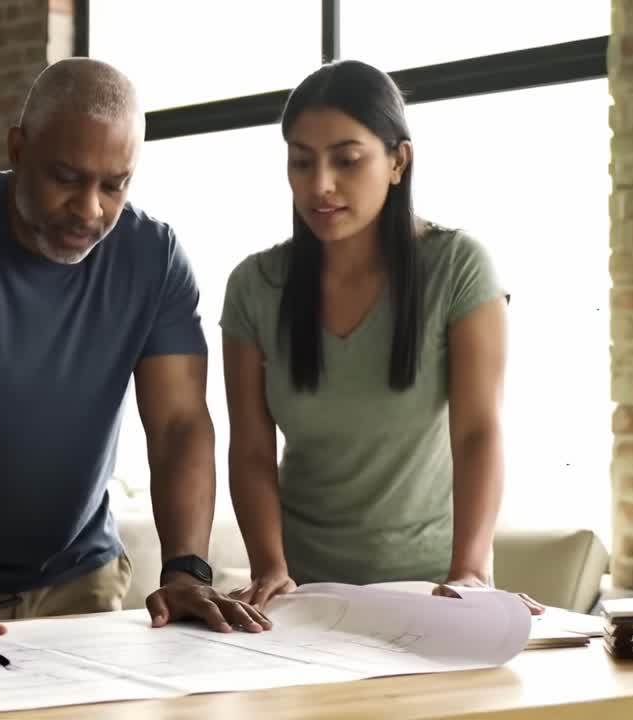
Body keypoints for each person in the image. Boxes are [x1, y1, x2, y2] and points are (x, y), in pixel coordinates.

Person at [0, 57, 271, 643]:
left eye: (114, 185)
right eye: (68, 178)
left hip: (83, 580)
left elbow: (178, 425)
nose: (91, 208)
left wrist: (186, 570)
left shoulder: (154, 258)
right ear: (18, 150)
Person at [220, 59, 543, 613]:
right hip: (303, 595)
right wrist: (270, 566)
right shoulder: (255, 285)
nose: (320, 184)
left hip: (430, 592)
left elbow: (477, 432)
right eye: (301, 161)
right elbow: (251, 448)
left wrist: (470, 571)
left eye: (347, 160)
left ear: (398, 161)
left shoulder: (459, 267)